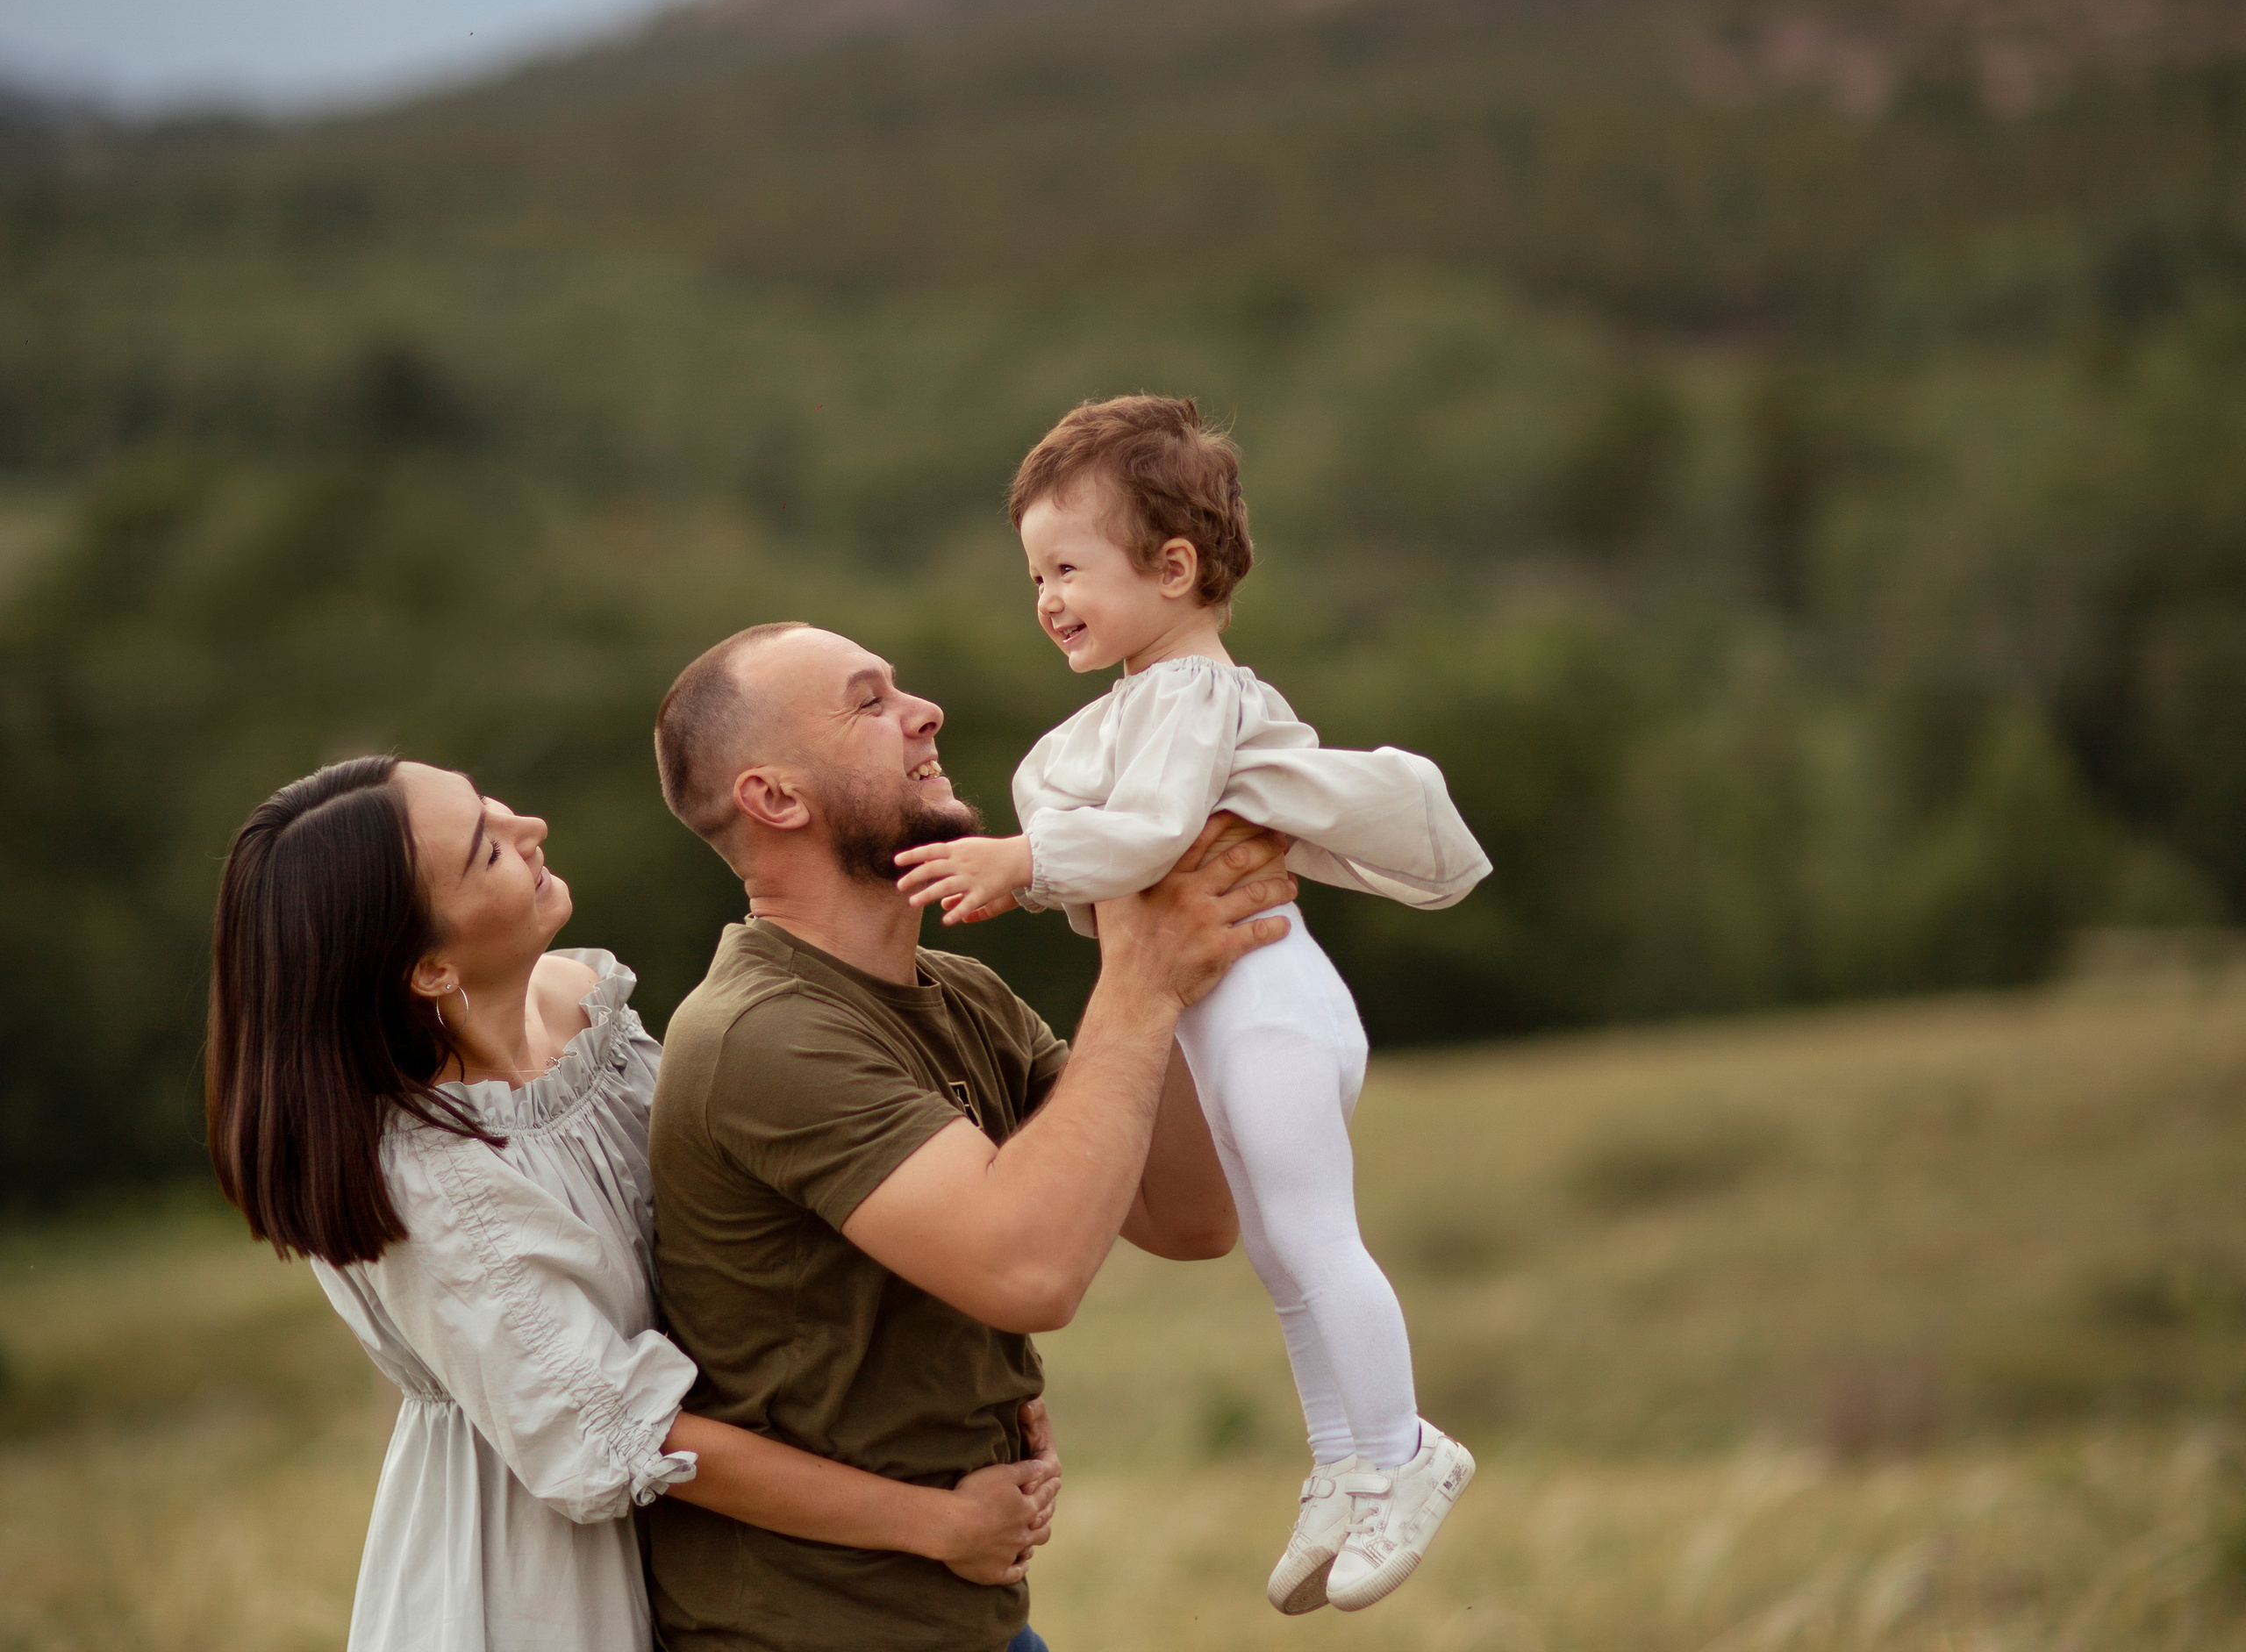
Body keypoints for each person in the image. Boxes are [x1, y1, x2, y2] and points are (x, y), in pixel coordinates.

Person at [205, 754, 1059, 1652]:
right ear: (427, 968)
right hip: (551, 1566)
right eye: (485, 849)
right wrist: (938, 1522)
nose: (529, 829)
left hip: (756, 1532)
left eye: (492, 804)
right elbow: (632, 1438)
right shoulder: (436, 1181)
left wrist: (959, 1399)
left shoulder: (581, 1002)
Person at [893, 394, 1488, 1615]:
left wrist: (1024, 860)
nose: (1048, 597)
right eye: (1035, 576)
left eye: (1068, 567)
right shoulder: (1139, 704)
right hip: (1229, 1011)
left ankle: (1403, 1451)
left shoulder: (1193, 696)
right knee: (1278, 1253)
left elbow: (1156, 832)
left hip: (1267, 1000)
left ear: (1173, 569)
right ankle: (1342, 1466)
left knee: (1315, 1236)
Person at [647, 621, 1299, 1652]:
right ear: (774, 799)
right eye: (869, 702)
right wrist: (1136, 974)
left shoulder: (963, 994)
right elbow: (1031, 1273)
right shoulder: (761, 1034)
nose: (924, 712)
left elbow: (1189, 1216)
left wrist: (1165, 943)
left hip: (969, 1625)